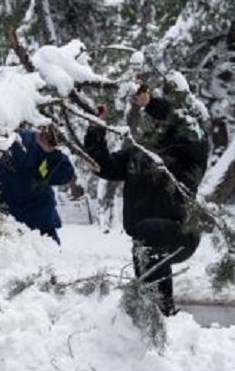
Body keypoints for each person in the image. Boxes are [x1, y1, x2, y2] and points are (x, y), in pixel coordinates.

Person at [84, 86, 209, 317]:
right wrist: (95, 129)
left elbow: (186, 128)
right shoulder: (139, 153)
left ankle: (162, 314)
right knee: (145, 275)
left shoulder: (190, 153)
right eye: (154, 120)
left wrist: (151, 102)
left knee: (148, 233)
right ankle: (156, 320)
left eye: (160, 119)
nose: (156, 123)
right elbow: (103, 165)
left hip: (181, 232)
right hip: (144, 237)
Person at [0, 125, 76, 244]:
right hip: (1, 226)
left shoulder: (35, 142)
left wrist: (50, 152)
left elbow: (64, 175)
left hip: (40, 226)